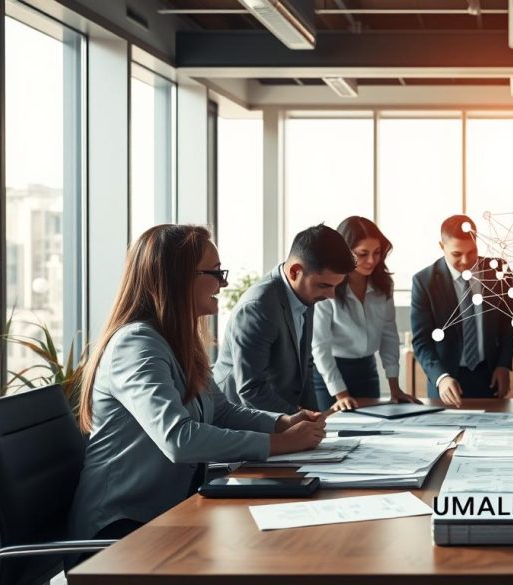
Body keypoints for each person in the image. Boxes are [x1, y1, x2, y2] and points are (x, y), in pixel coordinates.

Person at [69, 224, 326, 547]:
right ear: (177, 278)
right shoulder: (136, 345)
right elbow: (178, 439)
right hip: (119, 531)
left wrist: (281, 423)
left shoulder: (179, 341)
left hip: (169, 514)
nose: (224, 282)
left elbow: (220, 411)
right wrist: (280, 444)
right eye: (215, 273)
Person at [214, 224, 355, 413]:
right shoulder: (258, 307)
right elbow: (251, 390)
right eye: (324, 285)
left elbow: (305, 367)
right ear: (295, 271)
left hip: (280, 415)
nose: (331, 295)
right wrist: (299, 417)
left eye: (335, 286)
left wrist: (314, 418)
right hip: (240, 421)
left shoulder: (306, 294)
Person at [311, 216, 420, 411]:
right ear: (344, 252)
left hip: (367, 371)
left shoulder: (383, 284)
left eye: (377, 252)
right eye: (362, 254)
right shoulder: (327, 285)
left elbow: (389, 335)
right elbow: (320, 346)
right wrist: (341, 394)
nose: (371, 260)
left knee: (371, 433)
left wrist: (395, 388)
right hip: (330, 374)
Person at [410, 214, 513, 407]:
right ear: (442, 247)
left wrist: (503, 364)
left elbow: (508, 324)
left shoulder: (500, 271)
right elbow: (421, 341)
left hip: (489, 376)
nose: (466, 261)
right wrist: (440, 377)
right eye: (457, 254)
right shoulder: (424, 282)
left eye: (472, 251)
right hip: (446, 380)